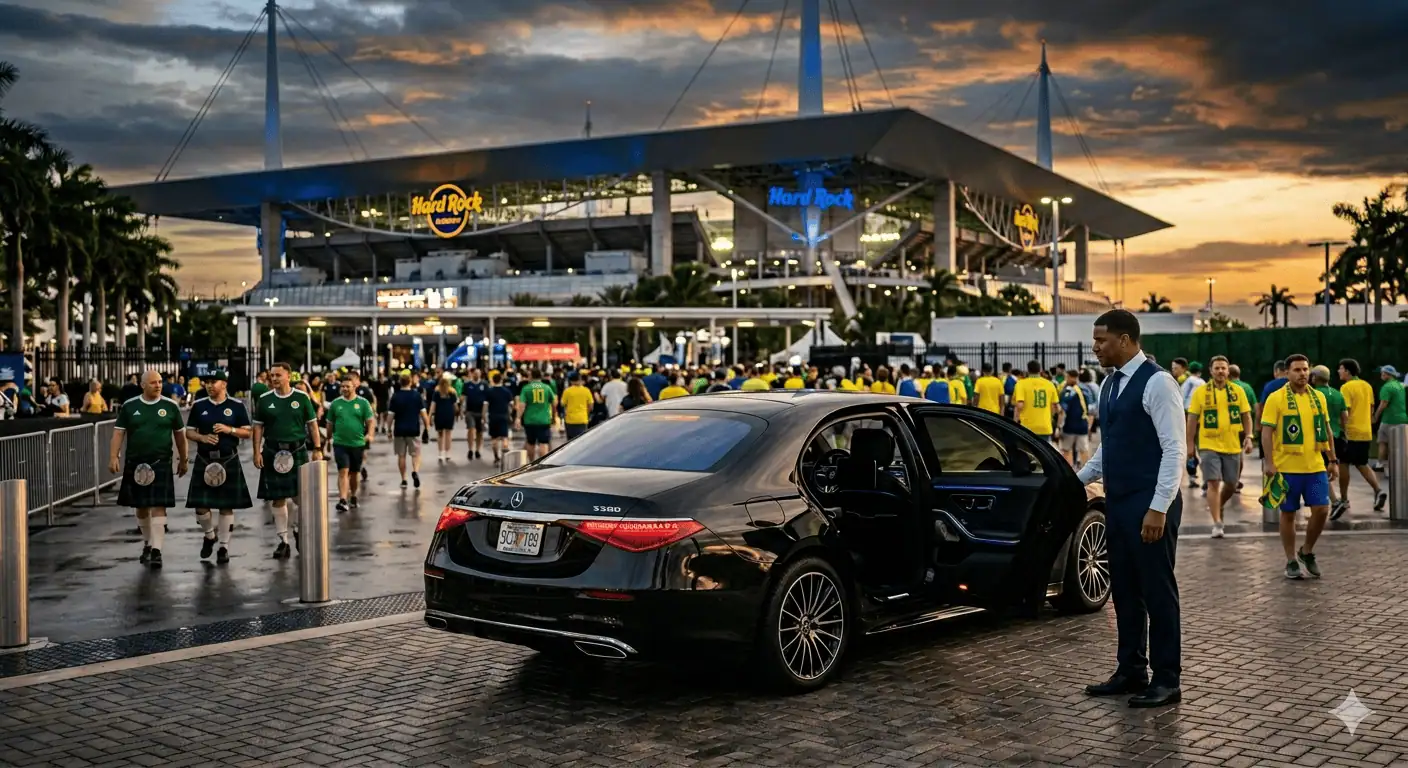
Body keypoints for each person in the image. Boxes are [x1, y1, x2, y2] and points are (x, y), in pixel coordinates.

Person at [1076, 310, 1185, 708]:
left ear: (1125, 340)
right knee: (1123, 590)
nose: (1095, 347)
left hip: (1150, 501)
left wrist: (1158, 508)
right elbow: (1112, 444)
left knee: (1157, 591)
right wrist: (1079, 478)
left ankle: (1167, 679)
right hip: (1118, 503)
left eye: (1101, 340)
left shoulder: (1158, 382)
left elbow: (1175, 449)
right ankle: (1131, 669)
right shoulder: (1109, 385)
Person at [1260, 354, 1337, 580]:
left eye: (1305, 369)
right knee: (1288, 514)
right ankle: (1291, 559)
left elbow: (1327, 429)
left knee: (1322, 510)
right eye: (1297, 370)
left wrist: (1332, 459)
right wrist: (1270, 462)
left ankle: (1307, 550)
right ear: (1287, 373)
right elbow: (1266, 432)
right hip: (1286, 467)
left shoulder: (1318, 398)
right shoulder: (1276, 398)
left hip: (1314, 466)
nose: (1302, 374)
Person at [109, 370, 188, 569]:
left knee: (159, 505)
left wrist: (184, 459)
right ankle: (147, 542)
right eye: (153, 382)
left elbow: (180, 435)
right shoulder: (130, 406)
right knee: (141, 508)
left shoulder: (170, 406)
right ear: (143, 385)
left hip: (160, 462)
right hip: (136, 463)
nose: (158, 385)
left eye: (160, 382)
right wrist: (113, 456)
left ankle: (157, 550)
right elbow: (118, 433)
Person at [252, 363, 322, 559]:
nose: (274, 379)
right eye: (271, 376)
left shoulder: (301, 398)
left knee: (301, 498)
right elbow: (258, 428)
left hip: (297, 450)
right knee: (278, 498)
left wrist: (317, 449)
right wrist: (256, 451)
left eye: (278, 375)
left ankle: (299, 530)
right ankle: (283, 541)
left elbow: (313, 425)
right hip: (273, 451)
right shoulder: (264, 399)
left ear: (288, 376)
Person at [184, 370, 252, 564]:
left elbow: (247, 432)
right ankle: (209, 535)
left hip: (228, 458)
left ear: (224, 384)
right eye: (207, 382)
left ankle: (224, 547)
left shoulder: (236, 406)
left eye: (214, 382)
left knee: (226, 506)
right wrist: (202, 437)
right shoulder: (199, 406)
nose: (209, 385)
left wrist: (228, 429)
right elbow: (189, 432)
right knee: (200, 506)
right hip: (204, 459)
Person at [1185, 356, 1253, 538]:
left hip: (1232, 445)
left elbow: (1246, 416)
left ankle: (1218, 504)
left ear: (1228, 371)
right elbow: (1192, 419)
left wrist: (1248, 436)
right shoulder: (1200, 392)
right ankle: (1217, 523)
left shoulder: (1238, 391)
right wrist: (1190, 444)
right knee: (1213, 482)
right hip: (1208, 444)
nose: (1220, 371)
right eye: (1217, 368)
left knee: (1231, 483)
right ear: (1211, 371)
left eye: (1223, 368)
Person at [1336, 358, 1384, 517]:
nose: (1339, 371)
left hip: (1351, 432)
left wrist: (1342, 429)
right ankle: (1378, 490)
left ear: (1348, 371)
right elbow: (1371, 407)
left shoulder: (1346, 387)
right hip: (1366, 431)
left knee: (1343, 463)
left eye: (1341, 369)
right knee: (1361, 463)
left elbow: (1345, 412)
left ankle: (1343, 499)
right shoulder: (1367, 386)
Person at [326, 378, 376, 513]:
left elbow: (371, 421)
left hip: (357, 443)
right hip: (340, 443)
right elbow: (330, 423)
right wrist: (328, 438)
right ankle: (342, 499)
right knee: (343, 471)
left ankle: (353, 495)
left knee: (354, 473)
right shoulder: (335, 404)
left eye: (347, 386)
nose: (344, 389)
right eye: (342, 386)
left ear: (354, 387)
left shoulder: (362, 403)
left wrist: (370, 435)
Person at [1310, 365, 1348, 514]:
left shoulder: (1314, 394)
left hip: (1321, 437)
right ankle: (1339, 500)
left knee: (1320, 471)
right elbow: (1345, 417)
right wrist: (1343, 431)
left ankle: (1335, 501)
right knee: (1330, 469)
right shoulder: (1338, 394)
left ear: (1315, 378)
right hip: (1337, 436)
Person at [388, 372, 429, 488]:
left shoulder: (395, 396)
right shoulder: (416, 396)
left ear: (400, 382)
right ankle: (415, 471)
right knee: (416, 454)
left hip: (399, 429)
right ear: (410, 382)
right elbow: (424, 414)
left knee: (401, 455)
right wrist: (427, 427)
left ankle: (404, 479)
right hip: (413, 429)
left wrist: (388, 429)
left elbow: (390, 415)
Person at [1012, 360, 1059, 440]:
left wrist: (1015, 421)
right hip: (1045, 426)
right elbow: (1055, 407)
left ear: (1028, 370)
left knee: (1027, 451)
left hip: (1027, 426)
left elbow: (1020, 405)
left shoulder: (1021, 384)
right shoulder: (1049, 384)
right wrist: (1050, 418)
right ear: (1040, 370)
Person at [518, 368, 557, 461]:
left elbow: (522, 405)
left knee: (530, 443)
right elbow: (554, 403)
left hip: (530, 420)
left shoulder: (526, 388)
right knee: (543, 443)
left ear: (531, 376)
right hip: (544, 419)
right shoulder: (547, 387)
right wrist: (554, 416)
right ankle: (542, 462)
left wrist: (518, 418)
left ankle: (532, 462)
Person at [1058, 369, 1093, 468]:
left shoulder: (1067, 391)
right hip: (1083, 426)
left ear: (1070, 377)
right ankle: (1086, 472)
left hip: (1069, 426)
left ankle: (1070, 472)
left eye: (1067, 377)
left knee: (1066, 450)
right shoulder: (1085, 390)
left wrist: (1059, 426)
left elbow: (1062, 411)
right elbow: (1091, 410)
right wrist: (1089, 426)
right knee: (1084, 450)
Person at [484, 372, 516, 464]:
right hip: (504, 416)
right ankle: (504, 455)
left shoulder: (489, 392)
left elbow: (485, 405)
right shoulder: (506, 391)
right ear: (501, 380)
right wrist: (510, 415)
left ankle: (496, 456)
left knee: (494, 438)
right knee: (504, 437)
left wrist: (484, 417)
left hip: (493, 417)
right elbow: (511, 405)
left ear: (493, 380)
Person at [429, 373, 459, 463]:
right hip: (449, 414)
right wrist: (457, 413)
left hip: (439, 415)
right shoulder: (452, 392)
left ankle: (440, 453)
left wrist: (430, 415)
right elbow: (455, 406)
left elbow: (433, 405)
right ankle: (448, 453)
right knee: (448, 434)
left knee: (440, 435)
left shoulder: (437, 393)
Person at [461, 368, 488, 460]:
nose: (477, 375)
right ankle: (470, 449)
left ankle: (477, 450)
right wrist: (461, 410)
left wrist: (486, 412)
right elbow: (464, 397)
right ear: (472, 374)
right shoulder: (467, 385)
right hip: (470, 411)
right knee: (471, 429)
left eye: (478, 373)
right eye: (475, 374)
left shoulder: (484, 384)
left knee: (480, 432)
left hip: (481, 411)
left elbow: (487, 399)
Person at [561, 371, 596, 440]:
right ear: (580, 380)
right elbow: (591, 406)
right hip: (582, 419)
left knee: (570, 441)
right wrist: (586, 413)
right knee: (581, 441)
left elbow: (563, 404)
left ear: (571, 381)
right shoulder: (586, 390)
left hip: (570, 420)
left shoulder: (567, 391)